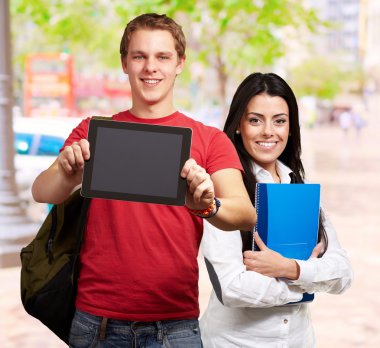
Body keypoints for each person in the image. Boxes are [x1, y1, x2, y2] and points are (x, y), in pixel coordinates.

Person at [31, 13, 256, 348]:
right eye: (140, 56)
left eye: (162, 56)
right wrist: (66, 171)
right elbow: (41, 190)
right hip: (97, 324)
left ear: (180, 63)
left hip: (175, 327)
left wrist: (208, 205)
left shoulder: (209, 139)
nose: (151, 67)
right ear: (125, 63)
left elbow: (245, 213)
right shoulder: (93, 131)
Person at [199, 72, 353, 347]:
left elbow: (342, 274)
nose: (268, 131)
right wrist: (307, 282)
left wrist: (289, 269)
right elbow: (232, 288)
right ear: (238, 126)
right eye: (255, 120)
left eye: (279, 121)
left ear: (291, 127)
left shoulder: (299, 188)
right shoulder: (225, 189)